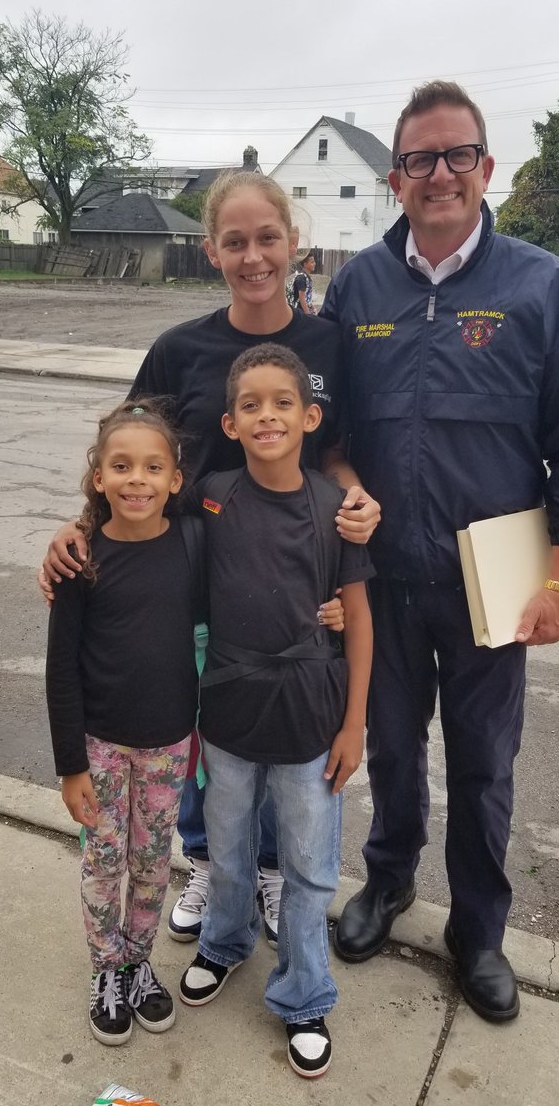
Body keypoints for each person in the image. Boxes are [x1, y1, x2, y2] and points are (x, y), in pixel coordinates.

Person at [323, 81, 559, 1023]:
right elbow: (324, 429)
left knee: (485, 763)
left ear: (486, 168)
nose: (440, 174)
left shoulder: (543, 288)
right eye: (421, 159)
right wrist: (340, 507)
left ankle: (480, 929)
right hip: (385, 579)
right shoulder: (357, 286)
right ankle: (388, 883)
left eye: (458, 155)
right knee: (390, 750)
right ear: (396, 177)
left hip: (492, 581)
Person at [39, 170, 380, 949]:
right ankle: (206, 862)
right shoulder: (181, 348)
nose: (253, 255)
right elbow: (127, 445)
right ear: (211, 251)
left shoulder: (329, 345)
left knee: (274, 726)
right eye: (236, 242)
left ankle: (262, 869)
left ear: (294, 245)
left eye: (268, 239)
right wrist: (78, 527)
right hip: (190, 569)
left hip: (290, 572)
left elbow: (337, 456)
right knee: (204, 728)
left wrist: (357, 499)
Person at [178, 343, 374, 1079]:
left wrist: (354, 724)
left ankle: (303, 993)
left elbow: (358, 619)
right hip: (227, 713)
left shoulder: (336, 510)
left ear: (310, 416)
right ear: (229, 423)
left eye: (282, 403)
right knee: (227, 851)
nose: (267, 416)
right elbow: (153, 547)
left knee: (309, 870)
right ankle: (224, 944)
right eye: (251, 406)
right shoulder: (212, 497)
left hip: (309, 722)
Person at [45, 400, 197, 1047]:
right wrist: (70, 767)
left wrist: (327, 613)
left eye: (152, 466)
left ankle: (138, 964)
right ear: (100, 477)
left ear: (174, 480)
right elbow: (60, 671)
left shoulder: (193, 545)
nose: (138, 478)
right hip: (101, 748)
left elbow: (250, 597)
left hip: (169, 745)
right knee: (105, 864)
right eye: (122, 466)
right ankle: (105, 969)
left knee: (154, 864)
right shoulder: (82, 559)